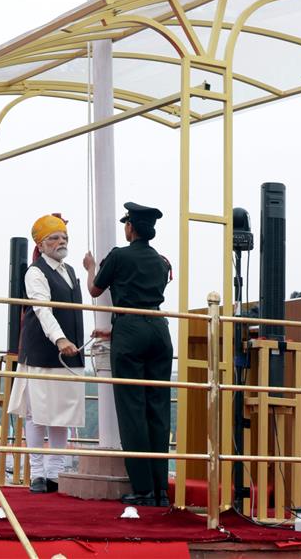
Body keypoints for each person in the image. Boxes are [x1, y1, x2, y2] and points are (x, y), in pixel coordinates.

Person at [84, 202, 172, 507]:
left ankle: (144, 489)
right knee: (158, 409)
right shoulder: (161, 262)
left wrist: (90, 268)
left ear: (130, 228)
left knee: (132, 407)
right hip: (159, 330)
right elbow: (149, 300)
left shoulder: (119, 256)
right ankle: (162, 488)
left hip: (130, 331)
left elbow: (95, 291)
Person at [8, 213, 85, 493]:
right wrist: (60, 338)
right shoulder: (36, 272)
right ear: (41, 244)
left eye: (64, 237)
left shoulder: (72, 271)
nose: (61, 242)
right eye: (54, 238)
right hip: (43, 350)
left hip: (70, 353)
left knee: (62, 413)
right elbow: (42, 309)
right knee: (38, 413)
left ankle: (56, 471)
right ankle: (38, 473)